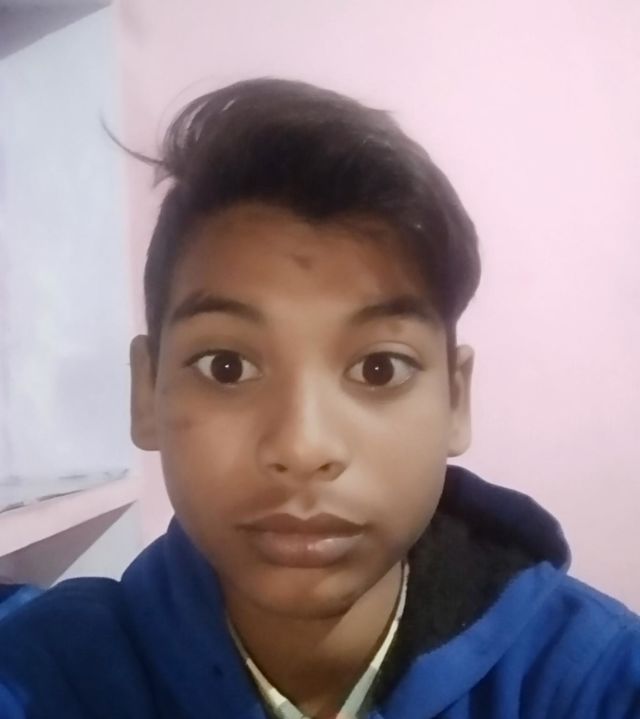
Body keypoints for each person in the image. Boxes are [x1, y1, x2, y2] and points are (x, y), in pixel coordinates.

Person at [0, 78, 638, 719]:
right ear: (146, 393)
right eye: (227, 366)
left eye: (380, 368)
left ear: (455, 399)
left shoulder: (592, 682)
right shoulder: (45, 677)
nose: (304, 447)